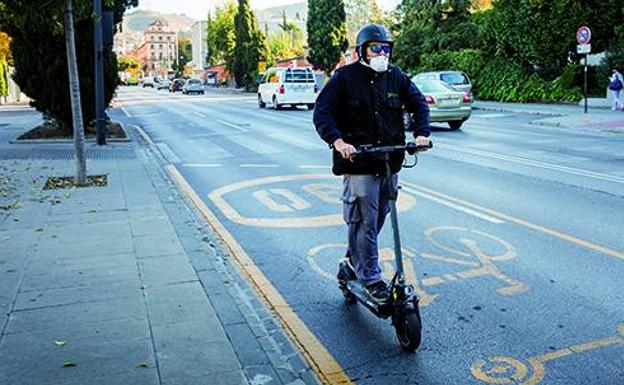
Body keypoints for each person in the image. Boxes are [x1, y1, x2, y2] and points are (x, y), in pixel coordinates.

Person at [313, 24, 431, 302]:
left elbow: (419, 104)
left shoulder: (396, 76)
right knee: (365, 220)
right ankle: (371, 278)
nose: (381, 53)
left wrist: (422, 133)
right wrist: (339, 143)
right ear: (362, 51)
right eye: (375, 48)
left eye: (386, 48)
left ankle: (353, 261)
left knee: (379, 217)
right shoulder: (344, 77)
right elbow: (322, 113)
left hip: (390, 160)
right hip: (358, 163)